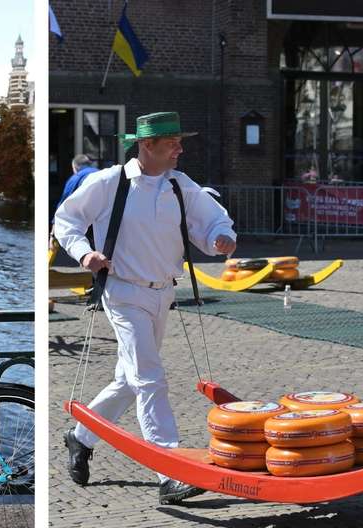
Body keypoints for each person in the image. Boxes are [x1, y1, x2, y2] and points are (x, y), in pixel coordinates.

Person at [52, 112, 237, 505]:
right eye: (173, 143)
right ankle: (169, 470)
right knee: (150, 377)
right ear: (147, 146)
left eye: (179, 141)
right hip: (123, 292)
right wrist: (85, 254)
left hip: (163, 293)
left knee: (129, 380)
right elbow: (65, 220)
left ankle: (80, 437)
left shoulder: (179, 184)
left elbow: (212, 220)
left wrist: (222, 237)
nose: (180, 149)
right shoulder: (107, 183)